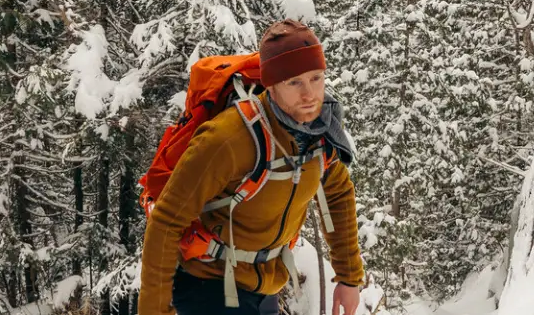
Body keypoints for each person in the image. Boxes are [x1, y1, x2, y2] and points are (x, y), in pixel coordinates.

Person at [139, 20, 367, 315]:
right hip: (209, 285)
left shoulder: (319, 134)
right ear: (271, 85)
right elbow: (166, 221)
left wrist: (349, 278)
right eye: (294, 82)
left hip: (265, 288)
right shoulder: (230, 139)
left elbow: (337, 194)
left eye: (316, 78)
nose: (309, 94)